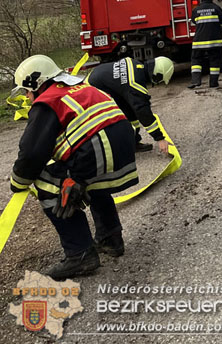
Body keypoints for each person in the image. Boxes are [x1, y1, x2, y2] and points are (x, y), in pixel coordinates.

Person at [9, 55, 138, 279]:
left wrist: (17, 182)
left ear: (36, 82)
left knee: (48, 183)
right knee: (84, 181)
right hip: (123, 154)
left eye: (26, 91)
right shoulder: (79, 86)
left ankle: (79, 254)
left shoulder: (47, 101)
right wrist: (77, 175)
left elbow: (31, 154)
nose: (28, 98)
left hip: (100, 153)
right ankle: (110, 238)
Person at [87, 56, 174, 154]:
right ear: (157, 74)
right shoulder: (134, 84)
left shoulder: (135, 65)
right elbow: (143, 111)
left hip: (98, 79)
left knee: (130, 111)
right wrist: (159, 138)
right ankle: (112, 152)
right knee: (114, 120)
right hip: (93, 91)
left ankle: (133, 142)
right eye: (160, 80)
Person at [189, 0, 222, 89]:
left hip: (199, 42)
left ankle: (196, 81)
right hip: (215, 42)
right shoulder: (216, 8)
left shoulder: (196, 10)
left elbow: (193, 21)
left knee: (196, 61)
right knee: (214, 61)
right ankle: (213, 83)